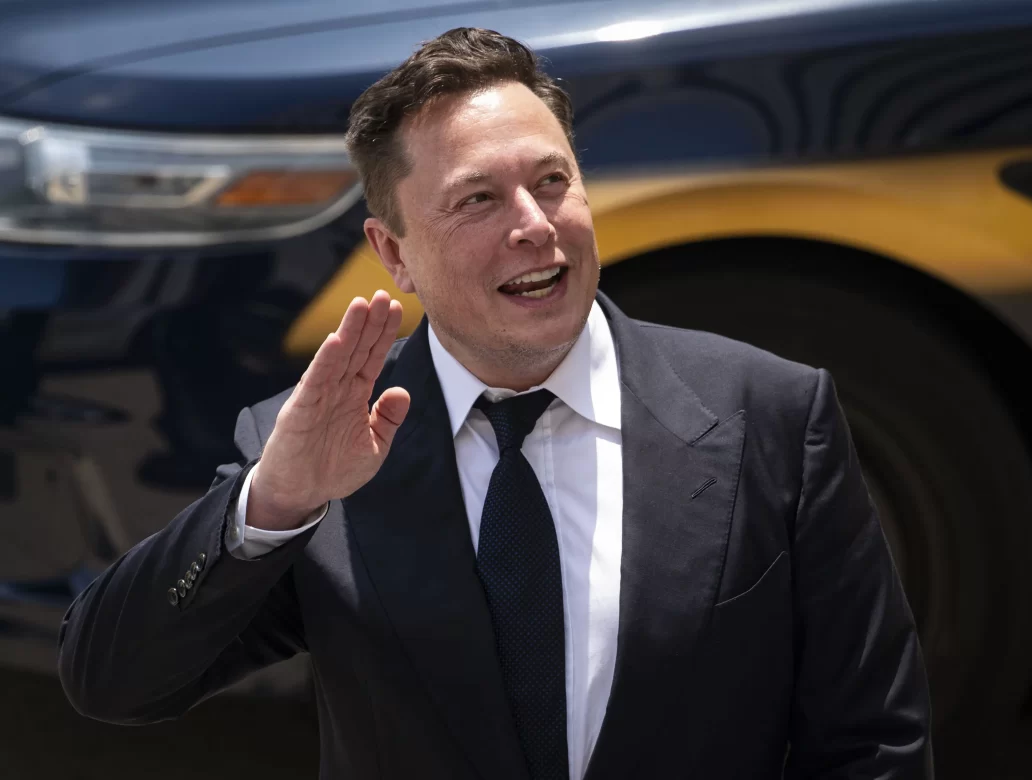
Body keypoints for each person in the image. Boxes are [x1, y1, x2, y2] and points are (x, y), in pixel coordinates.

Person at [58, 27, 932, 780]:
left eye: (552, 181)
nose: (535, 224)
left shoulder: (771, 415)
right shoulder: (316, 451)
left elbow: (874, 742)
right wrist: (273, 505)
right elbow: (112, 682)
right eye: (479, 198)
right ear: (394, 255)